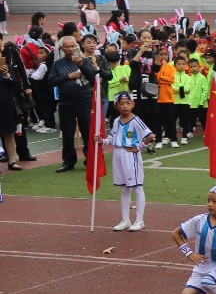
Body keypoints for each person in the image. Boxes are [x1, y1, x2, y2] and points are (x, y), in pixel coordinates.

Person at [102, 92, 155, 231]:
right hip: (118, 154)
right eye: (121, 104)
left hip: (130, 155)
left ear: (133, 104)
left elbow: (150, 136)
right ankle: (125, 220)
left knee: (137, 187)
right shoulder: (116, 121)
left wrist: (139, 147)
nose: (124, 106)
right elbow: (113, 138)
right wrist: (101, 141)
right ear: (116, 106)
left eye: (127, 103)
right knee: (124, 188)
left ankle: (139, 220)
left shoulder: (136, 120)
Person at [50, 36, 99, 173]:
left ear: (77, 46)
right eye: (67, 46)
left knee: (87, 131)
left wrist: (81, 65)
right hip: (66, 102)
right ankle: (68, 161)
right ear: (61, 48)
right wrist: (68, 77)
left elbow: (92, 77)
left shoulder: (84, 60)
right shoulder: (57, 64)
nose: (71, 49)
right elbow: (51, 81)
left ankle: (90, 160)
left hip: (84, 100)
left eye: (73, 46)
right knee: (67, 133)